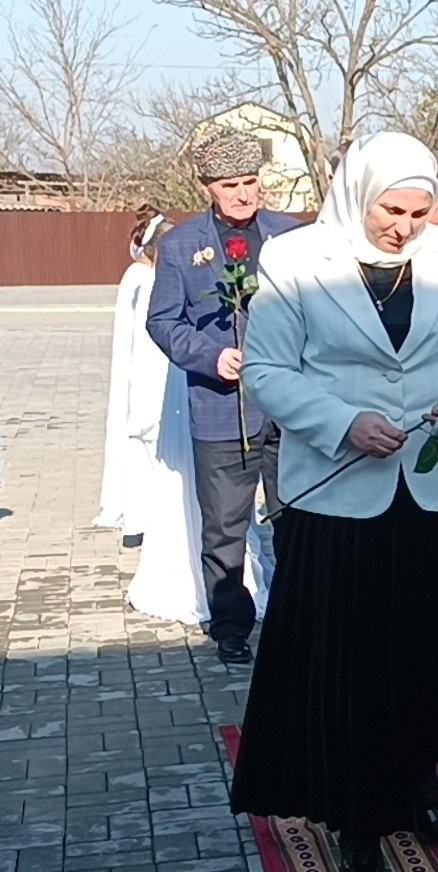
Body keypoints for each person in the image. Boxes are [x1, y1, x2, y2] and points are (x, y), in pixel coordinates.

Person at [231, 132, 438, 872]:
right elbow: (267, 370)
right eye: (392, 211)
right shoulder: (295, 259)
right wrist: (342, 421)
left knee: (430, 647)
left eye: (420, 212)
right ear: (358, 194)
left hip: (433, 487)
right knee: (351, 657)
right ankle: (357, 810)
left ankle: (419, 779)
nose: (405, 227)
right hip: (339, 491)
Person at [146, 123, 299, 664]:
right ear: (207, 186)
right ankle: (231, 627)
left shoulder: (292, 236)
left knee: (297, 518)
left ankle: (299, 620)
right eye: (230, 184)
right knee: (225, 528)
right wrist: (212, 357)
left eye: (251, 181)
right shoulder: (181, 245)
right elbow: (163, 321)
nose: (243, 194)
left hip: (292, 407)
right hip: (221, 406)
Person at [95, 206, 170, 544]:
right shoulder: (145, 279)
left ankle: (139, 521)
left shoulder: (140, 276)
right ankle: (143, 519)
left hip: (141, 374)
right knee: (149, 449)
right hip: (149, 373)